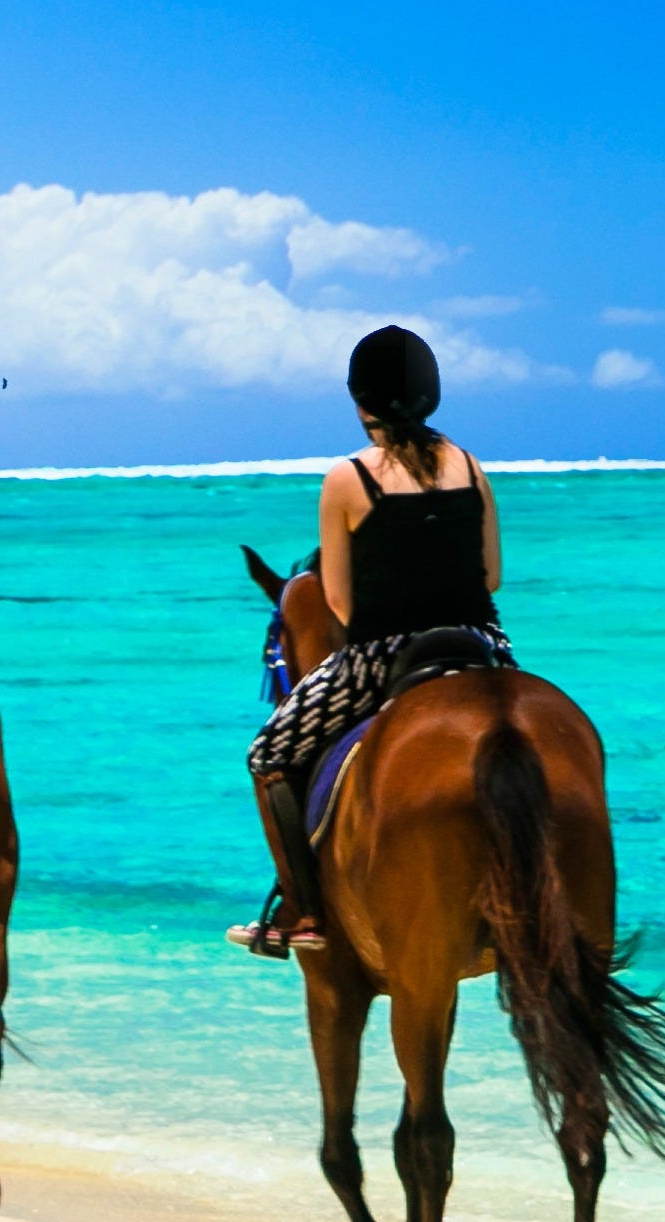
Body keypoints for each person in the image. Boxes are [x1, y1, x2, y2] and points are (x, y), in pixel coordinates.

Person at [228, 325, 506, 958]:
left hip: (383, 655)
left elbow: (342, 605)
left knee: (268, 753)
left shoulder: (348, 478)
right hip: (480, 642)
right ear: (431, 396)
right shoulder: (469, 464)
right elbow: (491, 576)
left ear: (362, 404)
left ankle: (303, 911)